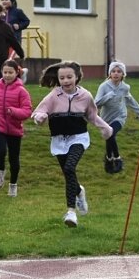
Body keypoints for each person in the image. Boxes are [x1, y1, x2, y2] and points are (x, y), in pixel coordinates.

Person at [32, 61, 112, 227]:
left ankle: (70, 213)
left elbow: (92, 116)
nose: (65, 80)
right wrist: (39, 117)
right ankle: (79, 191)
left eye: (69, 77)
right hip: (59, 141)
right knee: (68, 174)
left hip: (78, 138)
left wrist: (105, 128)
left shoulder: (86, 96)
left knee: (69, 168)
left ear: (77, 77)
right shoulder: (54, 95)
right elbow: (40, 110)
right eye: (62, 78)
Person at [0, 59, 33, 197]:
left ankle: (13, 185)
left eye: (11, 72)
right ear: (1, 72)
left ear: (17, 73)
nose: (7, 75)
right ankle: (1, 171)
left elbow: (27, 111)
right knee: (0, 151)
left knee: (14, 159)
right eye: (5, 72)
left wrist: (14, 111)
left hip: (15, 129)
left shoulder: (22, 91)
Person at [94, 60, 139, 174]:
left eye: (119, 71)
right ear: (109, 74)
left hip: (120, 116)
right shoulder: (104, 86)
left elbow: (130, 99)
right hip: (105, 118)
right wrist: (107, 96)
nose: (116, 73)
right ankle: (108, 160)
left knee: (110, 133)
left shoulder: (125, 87)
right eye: (113, 71)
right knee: (109, 136)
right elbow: (96, 103)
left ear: (123, 74)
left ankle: (117, 159)